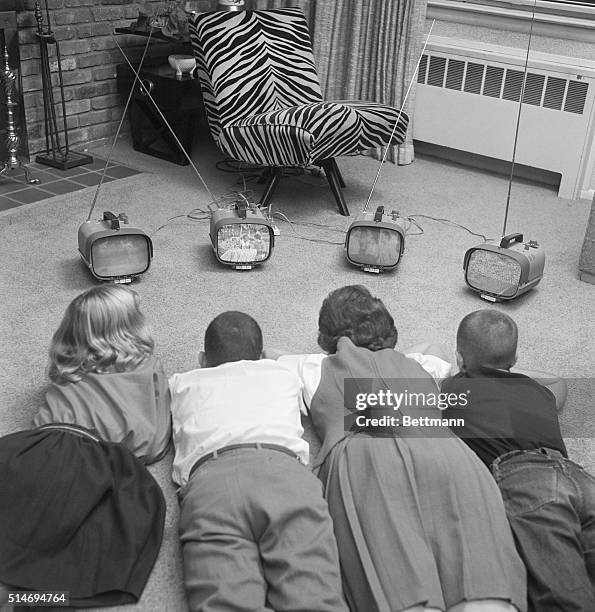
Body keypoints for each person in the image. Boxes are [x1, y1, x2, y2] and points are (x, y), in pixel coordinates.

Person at [274, 285, 527, 612]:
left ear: (328, 340)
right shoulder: (421, 364)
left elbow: (269, 356)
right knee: (484, 591)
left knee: (402, 589)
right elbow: (433, 346)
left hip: (368, 458)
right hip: (445, 451)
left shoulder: (311, 367)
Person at [0, 285, 170, 608]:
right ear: (133, 328)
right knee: (69, 565)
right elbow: (155, 443)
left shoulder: (67, 363)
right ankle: (20, 599)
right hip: (92, 465)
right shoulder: (148, 367)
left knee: (16, 529)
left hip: (35, 449)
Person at [169, 311, 347, 612]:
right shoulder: (283, 374)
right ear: (263, 357)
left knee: (223, 597)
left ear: (202, 360)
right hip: (285, 474)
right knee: (314, 590)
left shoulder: (182, 383)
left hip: (214, 483)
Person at [442, 309, 594, 612]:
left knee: (562, 594)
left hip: (529, 481)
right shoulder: (539, 392)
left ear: (460, 359)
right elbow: (557, 382)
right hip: (579, 477)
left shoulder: (452, 391)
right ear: (514, 361)